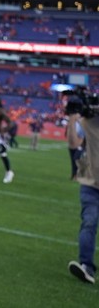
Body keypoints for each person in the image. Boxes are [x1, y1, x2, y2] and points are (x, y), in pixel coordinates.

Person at [68, 103, 97, 285]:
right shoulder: (88, 122)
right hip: (91, 183)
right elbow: (73, 143)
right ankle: (86, 265)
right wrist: (72, 117)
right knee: (89, 222)